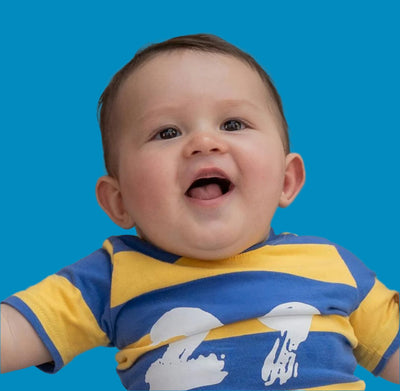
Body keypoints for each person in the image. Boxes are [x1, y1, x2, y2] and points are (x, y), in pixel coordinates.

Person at [1, 34, 398, 390]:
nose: (205, 142)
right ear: (118, 201)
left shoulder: (332, 266)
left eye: (233, 123)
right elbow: (13, 334)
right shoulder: (112, 275)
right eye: (168, 132)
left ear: (286, 180)